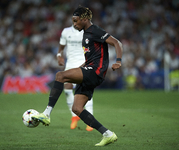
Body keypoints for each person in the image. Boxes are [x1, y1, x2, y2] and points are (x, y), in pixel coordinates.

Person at [32, 5, 123, 146]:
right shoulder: (86, 34)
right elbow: (90, 59)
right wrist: (78, 68)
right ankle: (108, 134)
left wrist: (118, 61)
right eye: (73, 21)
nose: (74, 24)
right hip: (90, 69)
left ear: (85, 19)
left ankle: (46, 114)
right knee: (77, 108)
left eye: (76, 21)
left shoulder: (95, 31)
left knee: (60, 76)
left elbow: (117, 43)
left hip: (95, 71)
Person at [57, 25, 94, 131]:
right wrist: (59, 56)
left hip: (84, 63)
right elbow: (61, 49)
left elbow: (92, 49)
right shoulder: (66, 31)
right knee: (67, 89)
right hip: (70, 65)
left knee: (86, 90)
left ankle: (90, 120)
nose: (76, 21)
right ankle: (74, 116)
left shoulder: (88, 32)